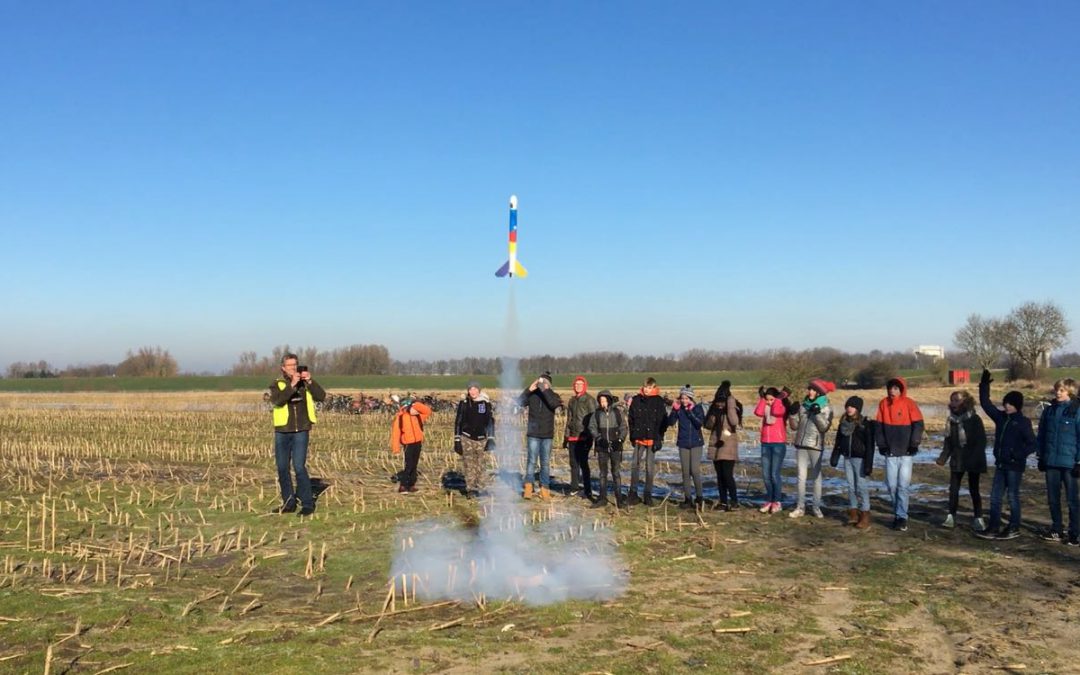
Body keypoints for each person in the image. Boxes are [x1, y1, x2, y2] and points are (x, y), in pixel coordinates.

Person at [973, 369, 1035, 540]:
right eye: (1005, 403)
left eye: (1010, 403)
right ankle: (993, 527)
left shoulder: (1023, 422)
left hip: (1014, 466)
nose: (1006, 406)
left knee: (1012, 497)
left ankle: (1014, 527)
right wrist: (984, 385)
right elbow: (986, 404)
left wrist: (1017, 454)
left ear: (1017, 405)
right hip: (1000, 464)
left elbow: (1032, 443)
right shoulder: (1001, 418)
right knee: (994, 497)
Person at [268, 353, 327, 516]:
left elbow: (321, 396)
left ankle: (307, 504)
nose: (293, 368)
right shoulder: (277, 384)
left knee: (299, 467)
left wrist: (309, 381)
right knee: (282, 467)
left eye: (295, 365)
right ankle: (289, 503)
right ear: (283, 368)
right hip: (282, 431)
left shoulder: (305, 384)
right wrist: (292, 385)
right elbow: (278, 401)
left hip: (301, 430)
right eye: (290, 365)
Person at [875, 377, 925, 531]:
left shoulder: (909, 403)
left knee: (903, 486)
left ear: (901, 389)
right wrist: (881, 444)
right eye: (890, 388)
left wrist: (914, 443)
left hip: (906, 453)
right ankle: (898, 511)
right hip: (889, 452)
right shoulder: (883, 403)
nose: (892, 391)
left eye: (896, 388)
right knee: (891, 485)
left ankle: (901, 517)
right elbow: (879, 426)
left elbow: (918, 424)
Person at [1035, 377, 1080, 545]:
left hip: (1070, 463)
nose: (1058, 393)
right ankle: (1057, 529)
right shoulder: (1049, 411)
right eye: (1056, 389)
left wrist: (1079, 461)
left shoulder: (1077, 410)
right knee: (1053, 498)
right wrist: (1040, 456)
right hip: (1051, 462)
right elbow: (1041, 435)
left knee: (1072, 500)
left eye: (1061, 390)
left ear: (1070, 391)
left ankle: (1075, 532)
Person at [935, 390, 987, 530]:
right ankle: (951, 516)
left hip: (973, 459)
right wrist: (942, 458)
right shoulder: (951, 421)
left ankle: (978, 518)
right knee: (953, 489)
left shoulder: (975, 419)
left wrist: (975, 459)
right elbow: (948, 443)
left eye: (957, 400)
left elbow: (981, 442)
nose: (953, 403)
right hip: (957, 459)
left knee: (974, 489)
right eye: (952, 400)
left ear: (966, 402)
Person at [788, 379, 836, 519]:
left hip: (815, 445)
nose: (809, 392)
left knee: (816, 478)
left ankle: (816, 507)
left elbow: (824, 427)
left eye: (812, 389)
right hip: (801, 444)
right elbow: (794, 426)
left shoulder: (826, 407)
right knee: (800, 477)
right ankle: (800, 507)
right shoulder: (803, 406)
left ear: (819, 392)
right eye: (809, 389)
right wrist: (791, 414)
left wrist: (816, 414)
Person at [830, 396, 875, 528]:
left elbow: (870, 446)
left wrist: (868, 465)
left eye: (853, 406)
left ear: (858, 409)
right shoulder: (843, 423)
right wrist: (835, 456)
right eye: (848, 406)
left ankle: (865, 513)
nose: (849, 409)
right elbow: (838, 442)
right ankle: (853, 512)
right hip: (847, 457)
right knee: (850, 485)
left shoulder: (864, 424)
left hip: (860, 458)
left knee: (861, 486)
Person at [519, 371, 563, 501]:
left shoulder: (553, 395)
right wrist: (529, 389)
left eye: (545, 383)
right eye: (540, 382)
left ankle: (545, 488)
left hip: (547, 435)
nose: (542, 385)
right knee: (531, 461)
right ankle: (528, 487)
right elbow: (519, 402)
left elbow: (554, 404)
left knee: (545, 463)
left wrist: (546, 391)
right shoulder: (532, 396)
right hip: (533, 434)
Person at [628, 377, 668, 507]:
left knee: (649, 468)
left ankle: (647, 494)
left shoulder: (659, 401)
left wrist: (659, 437)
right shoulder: (636, 400)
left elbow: (663, 421)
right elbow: (631, 419)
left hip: (652, 439)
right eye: (645, 387)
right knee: (634, 465)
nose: (647, 389)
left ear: (654, 388)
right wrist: (632, 436)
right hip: (639, 438)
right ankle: (633, 493)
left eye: (649, 387)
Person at [587, 389, 628, 509]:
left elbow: (623, 427)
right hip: (602, 448)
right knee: (603, 474)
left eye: (604, 401)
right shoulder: (597, 414)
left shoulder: (617, 412)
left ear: (609, 401)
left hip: (616, 448)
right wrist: (599, 439)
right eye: (601, 401)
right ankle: (602, 498)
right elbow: (592, 427)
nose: (602, 403)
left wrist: (620, 440)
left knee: (616, 473)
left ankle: (619, 500)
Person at [667, 385, 706, 509]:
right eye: (682, 398)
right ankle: (688, 499)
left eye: (686, 398)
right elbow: (671, 422)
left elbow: (699, 423)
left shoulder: (698, 408)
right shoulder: (679, 410)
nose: (684, 401)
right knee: (685, 472)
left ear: (691, 398)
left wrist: (689, 412)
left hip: (696, 443)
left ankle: (699, 497)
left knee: (694, 470)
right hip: (683, 443)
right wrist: (674, 410)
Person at [454, 381, 495, 498]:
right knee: (469, 464)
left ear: (479, 390)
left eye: (475, 389)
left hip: (482, 438)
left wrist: (491, 437)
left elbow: (490, 421)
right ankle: (470, 489)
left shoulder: (485, 403)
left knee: (481, 464)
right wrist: (457, 439)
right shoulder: (464, 403)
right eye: (470, 389)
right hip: (466, 437)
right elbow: (458, 420)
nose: (473, 391)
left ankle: (482, 488)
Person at [705, 381, 742, 511]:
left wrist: (730, 404)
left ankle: (734, 501)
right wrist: (713, 414)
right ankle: (723, 501)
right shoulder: (716, 411)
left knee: (727, 475)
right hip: (716, 445)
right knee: (720, 476)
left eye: (722, 402)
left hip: (728, 446)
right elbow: (708, 426)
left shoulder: (732, 410)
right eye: (718, 402)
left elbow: (734, 422)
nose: (720, 404)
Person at [754, 386, 791, 514]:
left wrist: (778, 399)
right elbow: (758, 412)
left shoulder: (780, 406)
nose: (769, 402)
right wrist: (762, 399)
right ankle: (769, 499)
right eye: (767, 400)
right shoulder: (765, 407)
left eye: (771, 400)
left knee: (774, 474)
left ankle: (777, 501)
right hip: (765, 443)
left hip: (778, 444)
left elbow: (776, 412)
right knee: (766, 474)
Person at [390, 394, 433, 494]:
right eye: (406, 407)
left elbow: (428, 411)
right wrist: (395, 448)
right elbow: (396, 434)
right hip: (407, 444)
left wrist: (415, 404)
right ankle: (403, 486)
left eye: (409, 406)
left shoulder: (418, 416)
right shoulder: (400, 418)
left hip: (417, 442)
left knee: (414, 465)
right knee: (409, 465)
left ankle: (411, 485)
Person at [564, 376, 597, 500]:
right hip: (573, 436)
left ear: (584, 386)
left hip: (584, 436)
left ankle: (587, 490)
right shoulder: (572, 401)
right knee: (573, 463)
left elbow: (593, 419)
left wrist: (590, 434)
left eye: (580, 384)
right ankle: (574, 488)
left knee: (583, 463)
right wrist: (566, 436)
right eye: (576, 384)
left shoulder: (589, 400)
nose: (578, 386)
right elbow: (569, 419)